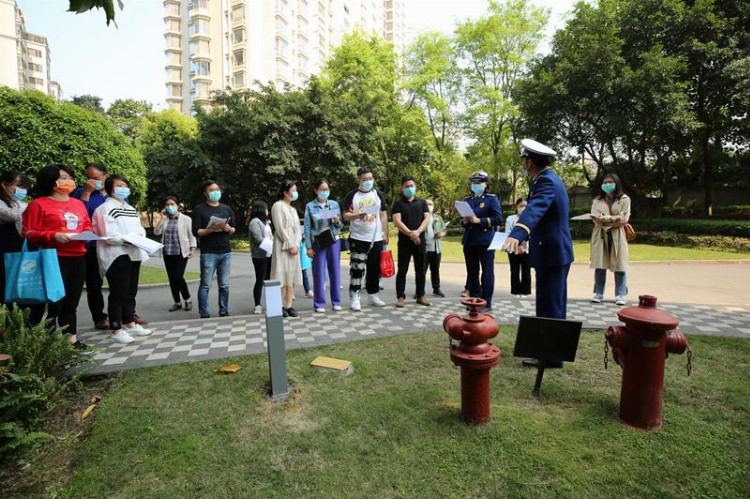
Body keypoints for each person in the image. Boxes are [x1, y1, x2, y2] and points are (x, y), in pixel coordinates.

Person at [503, 139, 574, 369]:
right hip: (553, 252)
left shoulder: (546, 182)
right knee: (551, 304)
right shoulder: (548, 179)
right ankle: (551, 353)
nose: (523, 163)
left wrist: (518, 232)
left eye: (523, 159)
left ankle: (551, 356)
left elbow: (534, 210)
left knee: (549, 305)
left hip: (552, 253)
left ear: (529, 160)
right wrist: (526, 239)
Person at [22, 163, 92, 348]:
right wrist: (53, 235)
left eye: (70, 177)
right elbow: (28, 232)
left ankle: (71, 340)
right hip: (52, 257)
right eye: (63, 177)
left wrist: (87, 234)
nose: (69, 181)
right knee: (54, 301)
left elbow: (86, 225)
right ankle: (48, 339)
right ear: (51, 181)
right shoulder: (38, 204)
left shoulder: (78, 204)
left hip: (78, 255)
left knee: (72, 300)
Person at [93, 175, 152, 344]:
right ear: (111, 188)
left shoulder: (130, 208)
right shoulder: (104, 209)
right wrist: (128, 239)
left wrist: (139, 237)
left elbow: (140, 229)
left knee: (130, 291)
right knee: (118, 293)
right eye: (119, 185)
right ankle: (117, 328)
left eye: (125, 185)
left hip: (134, 253)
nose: (124, 188)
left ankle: (130, 323)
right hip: (116, 254)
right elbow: (108, 234)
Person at [342, 167, 389, 311]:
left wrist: (385, 233)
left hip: (375, 238)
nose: (368, 181)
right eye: (365, 179)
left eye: (370, 178)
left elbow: (383, 215)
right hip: (358, 238)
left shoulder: (377, 194)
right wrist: (357, 216)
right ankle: (355, 297)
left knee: (374, 269)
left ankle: (373, 295)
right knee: (357, 268)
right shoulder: (352, 195)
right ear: (359, 180)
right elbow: (345, 215)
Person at [192, 180, 236, 318]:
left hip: (226, 251)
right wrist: (209, 229)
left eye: (217, 189)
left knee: (224, 285)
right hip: (208, 252)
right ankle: (204, 312)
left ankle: (224, 310)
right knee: (205, 285)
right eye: (212, 190)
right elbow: (196, 231)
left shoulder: (226, 208)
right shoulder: (199, 209)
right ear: (205, 193)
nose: (215, 192)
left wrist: (229, 229)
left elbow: (234, 228)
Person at [461, 171, 503, 311]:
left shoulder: (491, 199)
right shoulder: (467, 200)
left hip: (485, 241)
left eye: (479, 182)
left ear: (485, 184)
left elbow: (498, 219)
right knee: (472, 272)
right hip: (469, 241)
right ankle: (475, 300)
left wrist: (479, 221)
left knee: (487, 272)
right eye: (474, 182)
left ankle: (486, 302)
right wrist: (465, 221)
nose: (475, 185)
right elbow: (463, 222)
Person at [590, 173, 631, 305]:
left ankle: (620, 295)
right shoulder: (597, 200)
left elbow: (624, 220)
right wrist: (614, 219)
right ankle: (599, 293)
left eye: (610, 182)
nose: (607, 185)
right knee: (600, 265)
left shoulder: (624, 199)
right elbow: (596, 220)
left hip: (618, 236)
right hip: (600, 235)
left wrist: (605, 219)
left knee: (620, 265)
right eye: (605, 182)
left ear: (616, 183)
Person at [304, 178, 344, 313]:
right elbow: (307, 227)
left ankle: (336, 301)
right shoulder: (310, 206)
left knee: (335, 272)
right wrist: (308, 247)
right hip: (318, 242)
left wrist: (337, 221)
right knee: (318, 273)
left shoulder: (334, 204)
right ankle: (319, 303)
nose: (324, 192)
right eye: (322, 190)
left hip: (333, 241)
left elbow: (340, 226)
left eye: (326, 189)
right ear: (316, 191)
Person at [392, 176, 430, 308]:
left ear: (415, 187)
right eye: (406, 186)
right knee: (402, 270)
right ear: (402, 188)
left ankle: (420, 295)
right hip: (404, 242)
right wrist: (410, 234)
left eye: (411, 186)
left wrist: (418, 232)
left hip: (420, 240)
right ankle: (400, 297)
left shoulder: (422, 202)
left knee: (420, 270)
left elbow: (426, 218)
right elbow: (397, 221)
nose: (409, 188)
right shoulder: (398, 204)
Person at [153, 196, 196, 312]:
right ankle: (177, 302)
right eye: (167, 204)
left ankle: (187, 299)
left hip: (181, 252)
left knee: (178, 277)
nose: (170, 206)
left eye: (172, 204)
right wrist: (162, 219)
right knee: (172, 279)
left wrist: (192, 248)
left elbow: (191, 234)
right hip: (168, 253)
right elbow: (156, 232)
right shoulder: (165, 220)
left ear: (177, 205)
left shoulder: (186, 219)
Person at [270, 180, 303, 317]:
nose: (295, 193)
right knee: (281, 275)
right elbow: (279, 228)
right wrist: (289, 244)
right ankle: (279, 306)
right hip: (282, 245)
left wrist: (296, 244)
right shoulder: (277, 206)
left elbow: (297, 230)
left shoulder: (293, 210)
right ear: (285, 192)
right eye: (293, 190)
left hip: (294, 247)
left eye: (296, 190)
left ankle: (289, 305)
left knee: (291, 276)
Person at [0, 171, 31, 304]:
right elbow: (11, 216)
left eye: (24, 188)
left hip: (18, 248)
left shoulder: (19, 203)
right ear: (3, 185)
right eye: (18, 186)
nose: (22, 191)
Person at [248, 200, 273, 315]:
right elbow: (258, 239)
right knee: (260, 280)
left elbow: (270, 236)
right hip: (259, 256)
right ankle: (257, 305)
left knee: (269, 279)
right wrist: (272, 246)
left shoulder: (266, 222)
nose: (268, 211)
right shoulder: (254, 222)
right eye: (266, 208)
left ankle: (272, 304)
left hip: (270, 254)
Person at [504, 197, 531, 296]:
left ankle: (526, 290)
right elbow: (508, 233)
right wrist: (517, 246)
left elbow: (532, 233)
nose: (523, 208)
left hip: (527, 248)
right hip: (512, 247)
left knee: (526, 270)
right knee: (514, 269)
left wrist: (523, 245)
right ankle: (515, 290)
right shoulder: (510, 219)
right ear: (516, 207)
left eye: (525, 206)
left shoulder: (531, 218)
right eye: (521, 206)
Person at [423, 198, 447, 298]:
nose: (429, 206)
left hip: (436, 249)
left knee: (435, 270)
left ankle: (436, 289)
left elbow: (444, 230)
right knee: (421, 270)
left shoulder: (437, 218)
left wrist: (441, 234)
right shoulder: (420, 217)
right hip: (424, 249)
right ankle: (419, 291)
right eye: (427, 204)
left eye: (431, 204)